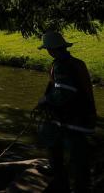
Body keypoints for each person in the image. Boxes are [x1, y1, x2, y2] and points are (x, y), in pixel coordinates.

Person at [36, 31, 96, 193]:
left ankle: (62, 178)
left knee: (56, 143)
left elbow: (64, 93)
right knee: (75, 154)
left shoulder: (61, 66)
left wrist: (45, 101)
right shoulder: (77, 62)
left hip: (72, 119)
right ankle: (66, 177)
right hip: (83, 116)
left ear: (51, 49)